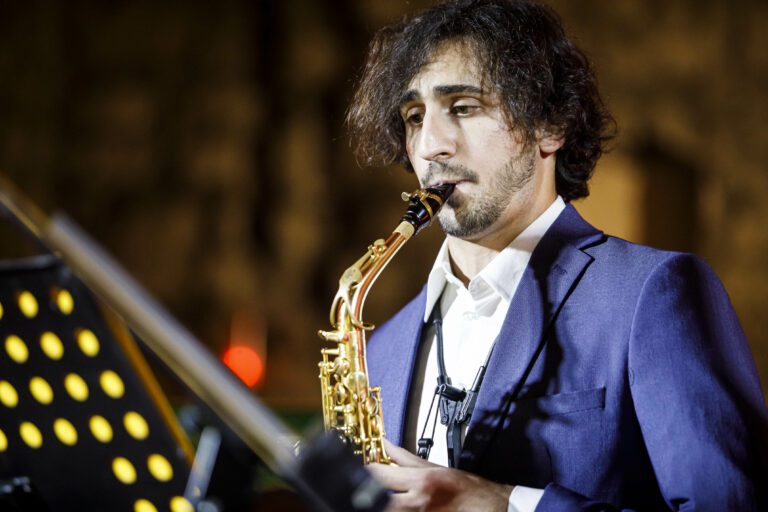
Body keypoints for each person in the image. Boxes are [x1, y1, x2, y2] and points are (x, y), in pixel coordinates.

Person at [344, 0, 768, 510]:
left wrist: (506, 503)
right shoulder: (379, 350)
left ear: (550, 126)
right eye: (414, 117)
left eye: (462, 107)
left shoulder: (654, 294)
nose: (431, 145)